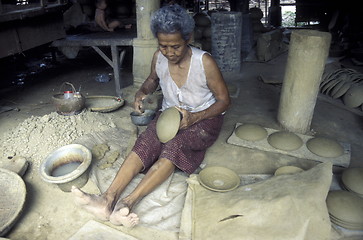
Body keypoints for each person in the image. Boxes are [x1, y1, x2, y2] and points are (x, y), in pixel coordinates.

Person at [71, 4, 230, 228]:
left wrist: (194, 118)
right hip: (171, 114)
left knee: (173, 146)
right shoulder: (160, 57)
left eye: (175, 46)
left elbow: (224, 100)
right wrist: (142, 92)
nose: (169, 52)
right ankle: (107, 200)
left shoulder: (205, 62)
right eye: (163, 45)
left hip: (205, 119)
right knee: (146, 142)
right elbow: (152, 79)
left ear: (189, 38)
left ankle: (127, 203)